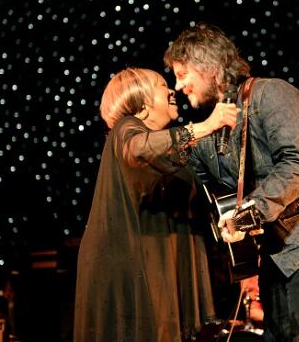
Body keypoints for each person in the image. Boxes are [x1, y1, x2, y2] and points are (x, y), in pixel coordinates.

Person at [164, 23, 299, 341]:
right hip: (276, 247)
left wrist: (250, 212)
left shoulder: (271, 94)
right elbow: (193, 184)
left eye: (181, 73)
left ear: (209, 68)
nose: (177, 85)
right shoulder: (209, 131)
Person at [72, 67, 239, 342]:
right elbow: (139, 148)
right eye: (162, 85)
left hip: (161, 266)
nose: (172, 90)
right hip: (133, 271)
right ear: (142, 100)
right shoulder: (126, 130)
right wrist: (206, 126)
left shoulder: (170, 153)